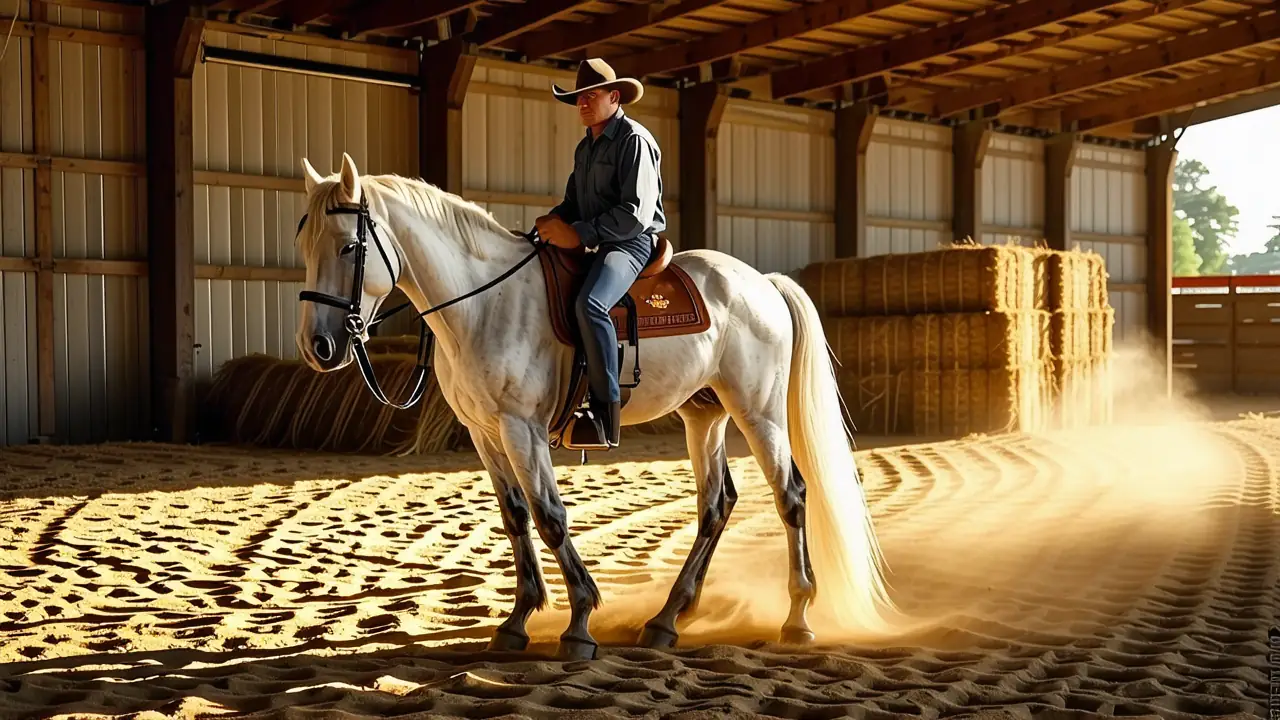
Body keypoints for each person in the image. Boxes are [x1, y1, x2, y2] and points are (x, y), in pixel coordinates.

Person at [535, 58, 666, 450]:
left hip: (630, 243)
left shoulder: (634, 140)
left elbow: (634, 215)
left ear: (614, 97)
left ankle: (605, 410)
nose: (582, 105)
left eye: (590, 97)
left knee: (591, 304)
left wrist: (577, 234)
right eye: (578, 99)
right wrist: (551, 222)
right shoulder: (585, 147)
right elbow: (574, 202)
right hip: (596, 239)